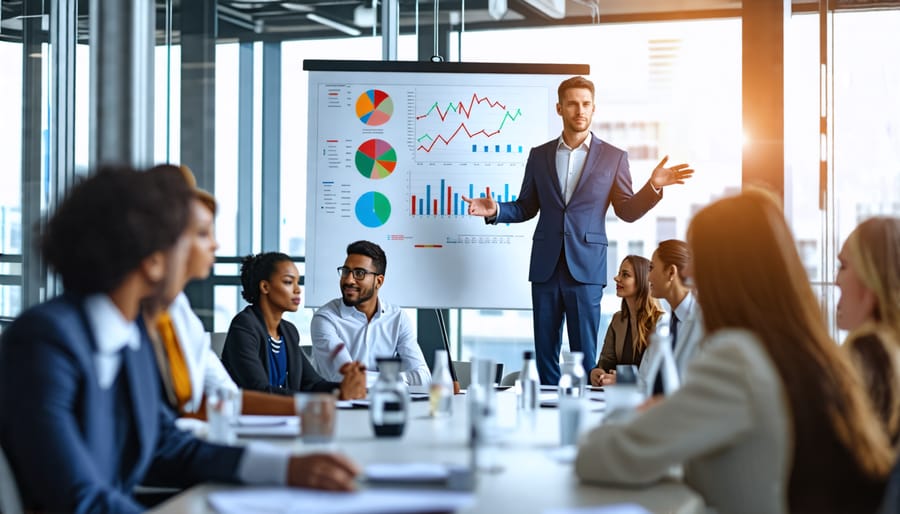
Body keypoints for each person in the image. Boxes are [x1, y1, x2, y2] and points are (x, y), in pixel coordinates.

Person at [0, 166, 359, 513]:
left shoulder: (131, 337)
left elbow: (168, 444)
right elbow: (79, 500)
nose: (200, 254)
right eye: (188, 239)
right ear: (153, 259)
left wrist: (286, 468)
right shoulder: (44, 343)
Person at [575, 190, 893, 514]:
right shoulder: (804, 351)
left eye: (697, 259)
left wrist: (642, 417)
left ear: (724, 268)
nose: (689, 273)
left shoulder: (738, 358)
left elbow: (598, 457)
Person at [462, 75, 693, 384]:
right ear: (560, 108)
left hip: (586, 268)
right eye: (572, 104)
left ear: (594, 108)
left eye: (585, 104)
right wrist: (497, 211)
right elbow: (527, 206)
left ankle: (585, 419)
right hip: (545, 267)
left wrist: (653, 186)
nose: (579, 110)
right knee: (545, 353)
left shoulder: (614, 157)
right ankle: (545, 415)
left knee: (584, 355)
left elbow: (626, 211)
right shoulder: (539, 155)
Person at [149, 167, 296, 417]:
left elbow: (226, 396)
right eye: (204, 233)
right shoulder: (134, 320)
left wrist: (317, 407)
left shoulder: (180, 312)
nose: (216, 244)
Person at [221, 252, 367, 399]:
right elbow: (260, 392)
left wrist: (345, 387)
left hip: (286, 419)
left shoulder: (288, 331)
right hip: (248, 420)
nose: (298, 289)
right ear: (265, 287)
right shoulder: (244, 327)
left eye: (297, 282)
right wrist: (335, 395)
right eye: (288, 282)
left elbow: (312, 384)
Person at [310, 240, 431, 386]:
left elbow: (424, 376)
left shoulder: (397, 318)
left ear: (378, 282)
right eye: (346, 271)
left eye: (359, 273)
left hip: (384, 405)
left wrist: (392, 379)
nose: (349, 280)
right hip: (336, 406)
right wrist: (397, 378)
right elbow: (345, 378)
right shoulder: (325, 319)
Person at [836, 216, 900, 445]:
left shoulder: (868, 354)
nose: (836, 280)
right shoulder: (890, 354)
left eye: (843, 266)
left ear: (871, 275)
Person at [637, 239, 704, 393]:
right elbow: (644, 380)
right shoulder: (663, 324)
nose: (648, 277)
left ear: (671, 272)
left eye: (652, 268)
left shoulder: (704, 320)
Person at [589, 255, 663, 387]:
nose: (616, 278)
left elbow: (657, 375)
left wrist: (623, 380)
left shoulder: (660, 321)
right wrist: (597, 373)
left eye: (625, 275)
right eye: (619, 274)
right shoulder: (618, 320)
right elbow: (606, 363)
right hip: (617, 396)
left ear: (642, 281)